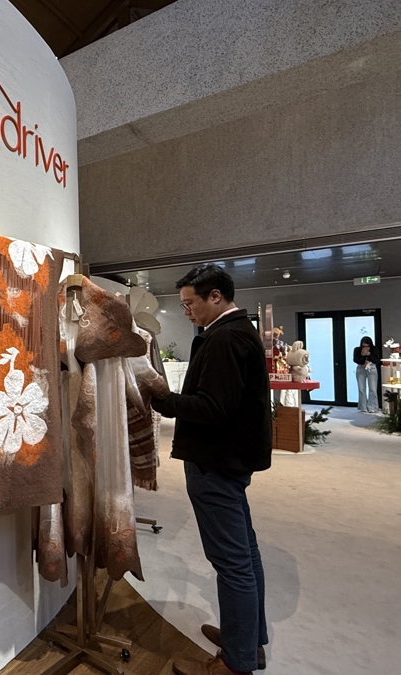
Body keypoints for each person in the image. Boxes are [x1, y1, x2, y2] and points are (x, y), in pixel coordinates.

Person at [150, 264, 271, 675]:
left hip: (216, 461)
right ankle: (248, 642)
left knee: (232, 562)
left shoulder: (225, 338)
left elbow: (213, 408)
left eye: (190, 304)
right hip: (229, 460)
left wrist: (162, 399)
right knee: (245, 554)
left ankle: (236, 663)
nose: (186, 312)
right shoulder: (235, 332)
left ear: (215, 296)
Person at [353, 336, 380, 413]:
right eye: (363, 345)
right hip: (360, 369)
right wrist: (362, 355)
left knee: (372, 388)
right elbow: (355, 360)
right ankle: (363, 406)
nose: (365, 347)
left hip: (371, 368)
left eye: (367, 345)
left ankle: (373, 407)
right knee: (361, 388)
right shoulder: (357, 349)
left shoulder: (375, 349)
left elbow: (376, 360)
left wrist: (369, 354)